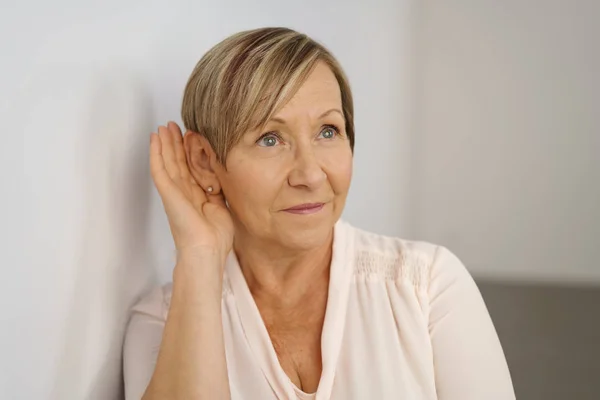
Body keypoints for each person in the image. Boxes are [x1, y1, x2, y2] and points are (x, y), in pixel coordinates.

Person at [122, 27, 515, 400]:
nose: (310, 174)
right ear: (205, 161)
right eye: (270, 139)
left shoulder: (426, 288)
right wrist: (200, 255)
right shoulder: (162, 321)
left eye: (328, 131)